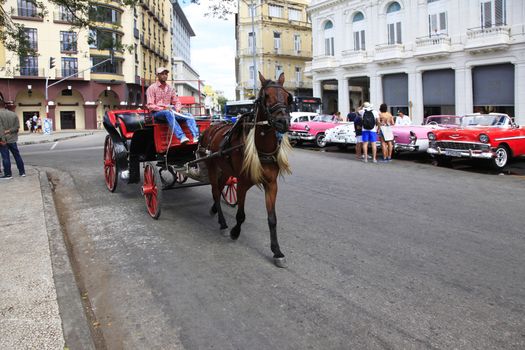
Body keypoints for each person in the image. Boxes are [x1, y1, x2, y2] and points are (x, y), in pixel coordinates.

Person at [146, 67, 199, 143]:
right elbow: (150, 105)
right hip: (157, 113)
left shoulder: (170, 88)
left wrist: (178, 109)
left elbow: (176, 101)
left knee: (189, 115)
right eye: (162, 74)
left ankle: (196, 136)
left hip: (171, 111)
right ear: (157, 75)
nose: (165, 76)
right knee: (168, 113)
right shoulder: (151, 88)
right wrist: (163, 108)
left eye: (166, 74)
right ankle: (181, 137)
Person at [0, 95, 26, 179]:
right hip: (13, 139)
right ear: (5, 105)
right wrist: (10, 131)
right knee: (17, 156)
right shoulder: (13, 114)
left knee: (5, 157)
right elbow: (17, 127)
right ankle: (22, 172)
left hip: (3, 139)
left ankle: (8, 174)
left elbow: (0, 128)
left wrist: (2, 140)